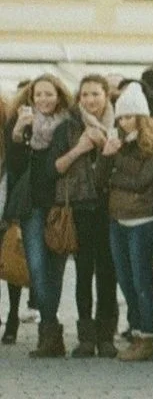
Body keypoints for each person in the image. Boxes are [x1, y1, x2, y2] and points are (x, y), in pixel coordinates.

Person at [3, 73, 76, 356]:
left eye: (49, 94)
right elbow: (17, 169)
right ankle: (50, 327)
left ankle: (49, 336)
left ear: (59, 96)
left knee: (55, 269)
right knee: (36, 266)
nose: (44, 99)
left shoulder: (68, 126)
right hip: (33, 205)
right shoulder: (21, 123)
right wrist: (19, 134)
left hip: (60, 205)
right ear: (31, 98)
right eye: (39, 95)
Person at [52, 74, 120, 357]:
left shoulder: (118, 126)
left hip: (111, 206)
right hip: (80, 206)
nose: (90, 100)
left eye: (95, 94)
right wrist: (80, 147)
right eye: (85, 95)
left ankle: (106, 336)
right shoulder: (68, 127)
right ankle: (86, 337)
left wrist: (109, 152)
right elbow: (55, 167)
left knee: (108, 271)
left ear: (106, 96)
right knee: (83, 271)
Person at [102, 83, 153, 362]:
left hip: (143, 219)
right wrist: (107, 157)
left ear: (141, 118)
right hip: (117, 218)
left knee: (142, 277)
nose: (123, 122)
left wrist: (115, 171)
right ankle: (138, 327)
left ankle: (146, 337)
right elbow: (99, 182)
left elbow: (142, 181)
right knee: (125, 278)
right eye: (120, 117)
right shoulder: (115, 143)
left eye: (128, 116)